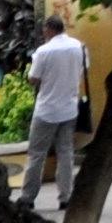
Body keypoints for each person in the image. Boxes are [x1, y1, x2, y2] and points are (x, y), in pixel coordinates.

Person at [19, 19, 90, 212]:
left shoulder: (43, 51)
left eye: (44, 29)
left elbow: (33, 79)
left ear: (49, 29)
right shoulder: (79, 47)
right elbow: (84, 69)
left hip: (46, 110)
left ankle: (28, 197)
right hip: (69, 108)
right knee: (66, 153)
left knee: (36, 154)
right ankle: (66, 197)